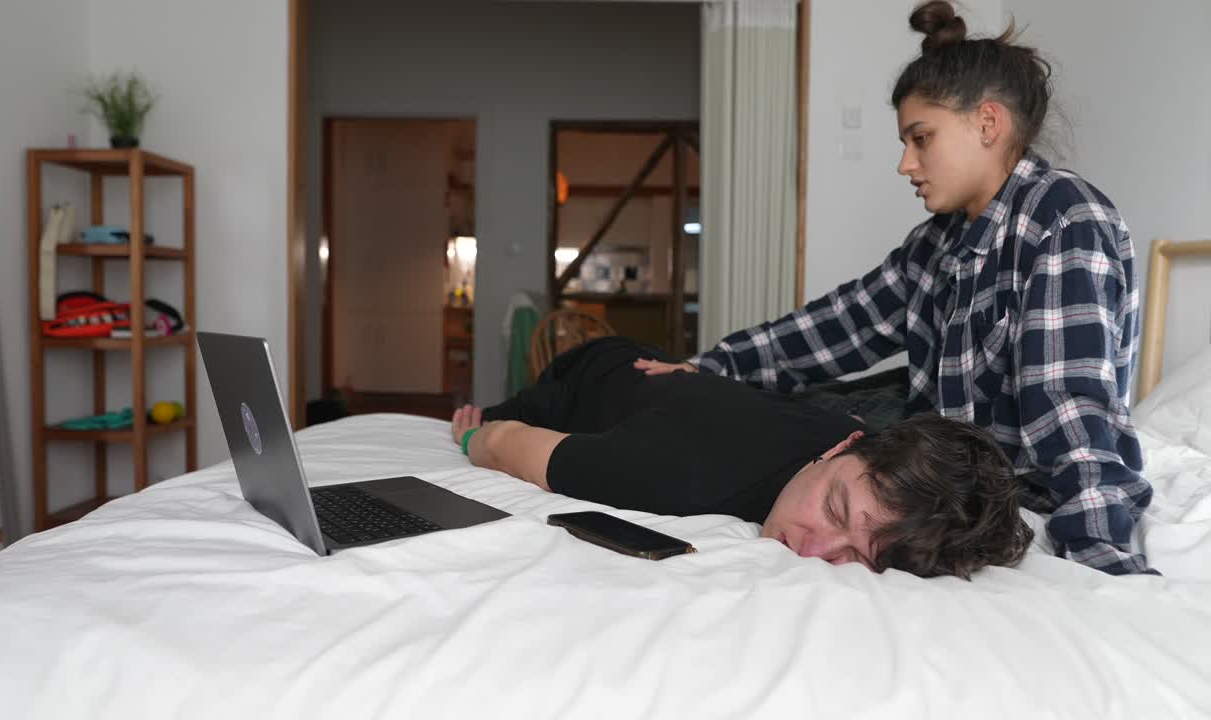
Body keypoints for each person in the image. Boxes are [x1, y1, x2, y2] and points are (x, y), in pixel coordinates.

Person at [635, 1, 1152, 575]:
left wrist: (1105, 565)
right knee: (751, 418)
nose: (906, 164)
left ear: (987, 124)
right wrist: (714, 367)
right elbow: (843, 324)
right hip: (922, 450)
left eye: (921, 138)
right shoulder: (936, 242)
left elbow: (1075, 419)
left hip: (988, 491)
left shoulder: (1063, 219)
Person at [452, 337, 1032, 579]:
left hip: (688, 391)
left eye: (858, 557)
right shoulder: (673, 475)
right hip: (597, 372)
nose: (812, 551)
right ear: (841, 449)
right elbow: (504, 443)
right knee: (483, 416)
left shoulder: (859, 441)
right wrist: (471, 439)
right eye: (834, 509)